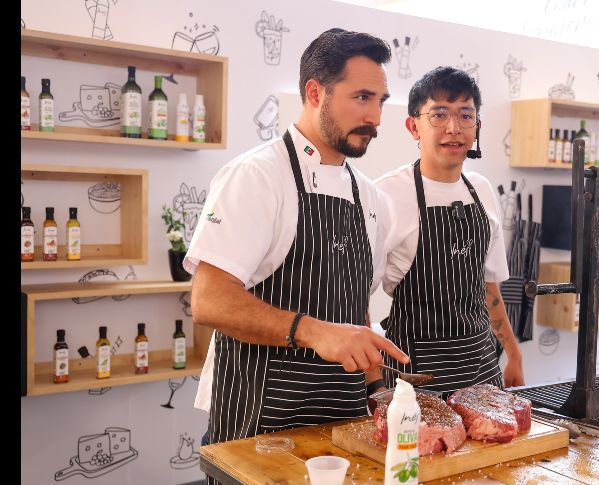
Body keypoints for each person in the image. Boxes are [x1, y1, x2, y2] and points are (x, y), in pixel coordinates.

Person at [184, 28, 409, 458]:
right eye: (362, 98)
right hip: (259, 421)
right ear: (314, 92)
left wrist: (377, 388)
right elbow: (209, 301)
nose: (375, 118)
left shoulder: (370, 196)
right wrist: (313, 331)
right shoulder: (257, 176)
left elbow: (353, 304)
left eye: (380, 101)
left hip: (345, 421)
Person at [371, 66, 524, 399]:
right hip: (414, 371)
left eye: (465, 116)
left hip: (481, 366)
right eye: (439, 115)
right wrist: (373, 382)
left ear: (477, 126)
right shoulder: (385, 195)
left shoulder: (481, 190)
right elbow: (355, 296)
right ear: (414, 126)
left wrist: (512, 352)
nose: (453, 129)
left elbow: (488, 286)